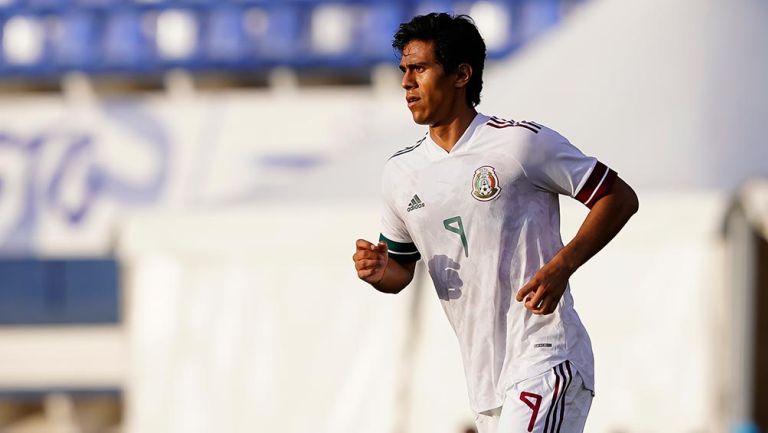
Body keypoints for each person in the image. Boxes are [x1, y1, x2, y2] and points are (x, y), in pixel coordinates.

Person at [352, 12, 638, 433]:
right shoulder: (401, 173)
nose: (406, 82)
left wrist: (562, 266)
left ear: (461, 74)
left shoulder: (519, 143)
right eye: (403, 70)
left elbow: (617, 197)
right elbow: (400, 272)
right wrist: (378, 271)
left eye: (419, 68)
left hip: (546, 355)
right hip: (487, 382)